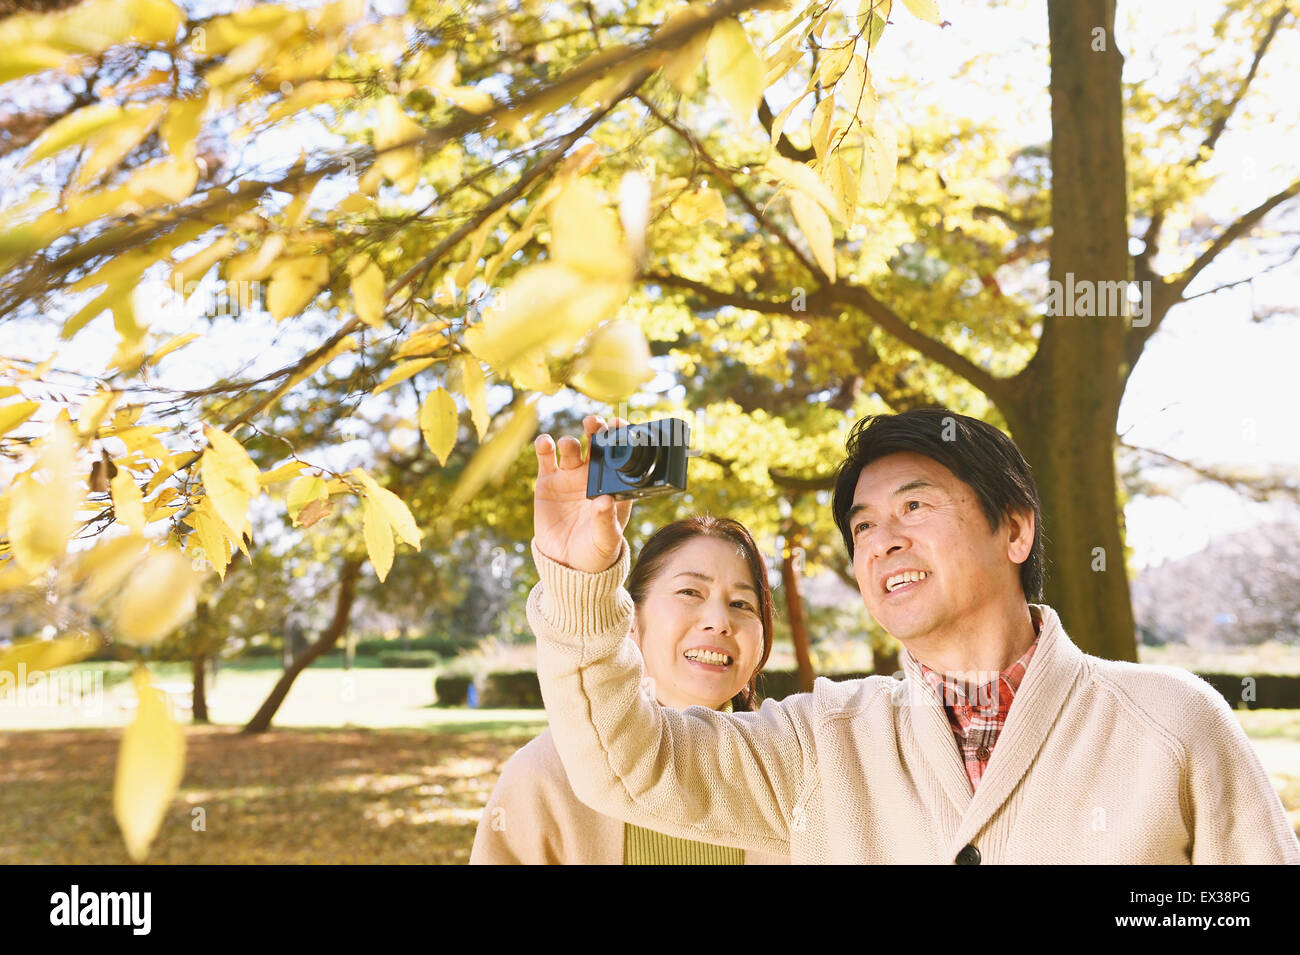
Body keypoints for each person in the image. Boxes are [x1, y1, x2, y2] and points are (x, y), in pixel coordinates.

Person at [526, 409, 1300, 864]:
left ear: (1016, 528)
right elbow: (627, 765)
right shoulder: (817, 743)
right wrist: (578, 577)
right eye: (863, 526)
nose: (882, 540)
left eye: (915, 507)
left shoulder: (1171, 724)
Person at [470, 515, 787, 864]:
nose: (719, 622)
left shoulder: (791, 769)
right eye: (690, 592)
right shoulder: (545, 775)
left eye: (741, 604)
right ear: (631, 622)